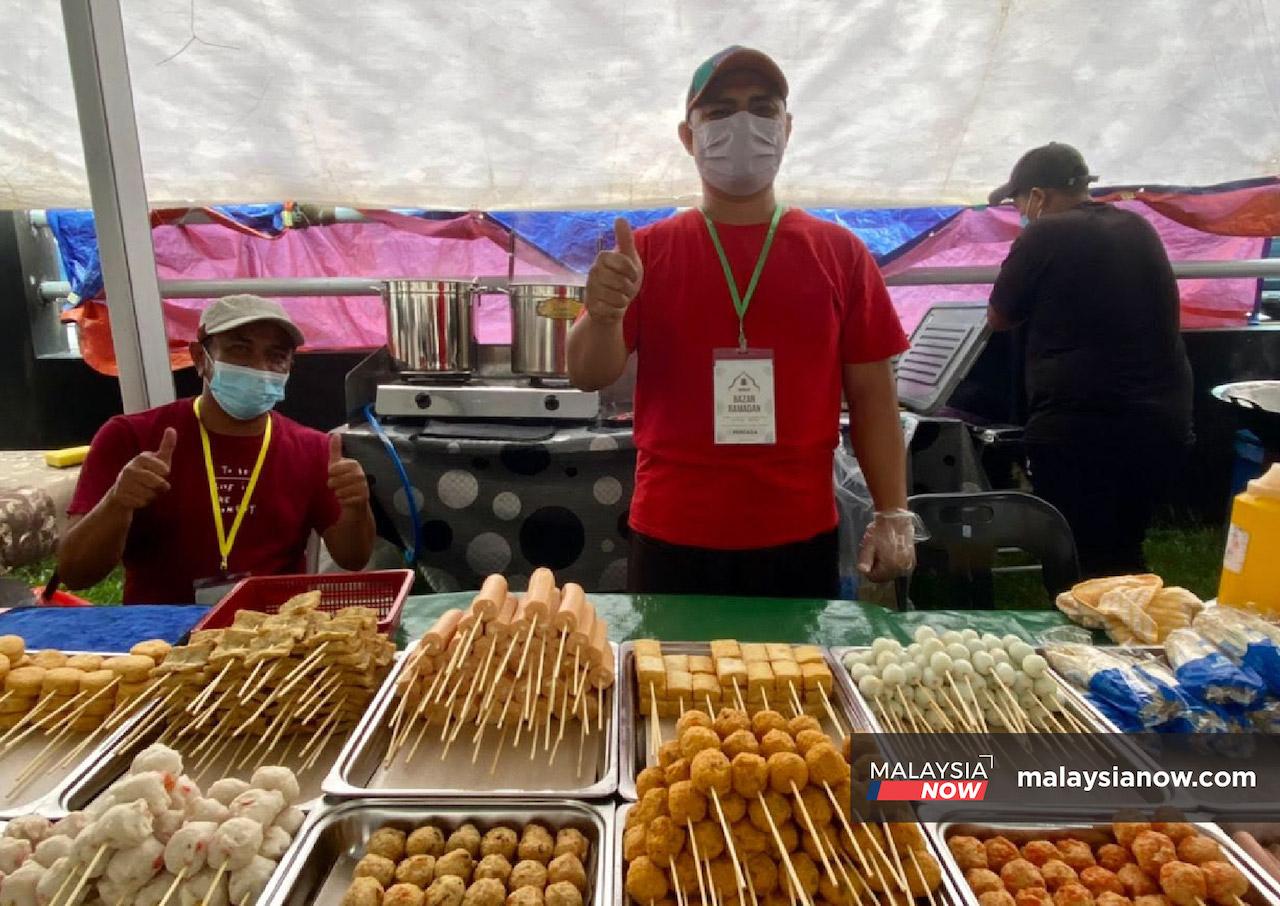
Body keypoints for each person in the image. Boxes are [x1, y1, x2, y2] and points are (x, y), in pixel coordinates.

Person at [567, 45, 915, 599]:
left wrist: (893, 510)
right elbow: (586, 374)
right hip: (673, 531)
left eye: (762, 107)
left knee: (794, 684)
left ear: (787, 127)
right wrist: (604, 316)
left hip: (798, 533)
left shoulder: (840, 252)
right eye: (720, 111)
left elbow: (874, 395)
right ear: (689, 136)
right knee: (668, 682)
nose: (742, 123)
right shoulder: (646, 252)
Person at [58, 294, 375, 603]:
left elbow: (352, 558)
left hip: (274, 634)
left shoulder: (313, 449)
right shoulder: (131, 438)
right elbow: (76, 573)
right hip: (161, 634)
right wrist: (117, 502)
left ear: (290, 367)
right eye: (240, 349)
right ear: (199, 358)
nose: (258, 366)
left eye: (276, 356)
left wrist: (358, 506)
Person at [987, 143, 1193, 577]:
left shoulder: (1044, 233)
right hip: (1161, 420)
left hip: (1081, 427)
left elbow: (1000, 315)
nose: (1021, 212)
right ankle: (1133, 626)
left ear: (1038, 197)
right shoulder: (1138, 227)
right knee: (1124, 547)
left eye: (1019, 202)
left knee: (1073, 555)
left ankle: (1079, 637)